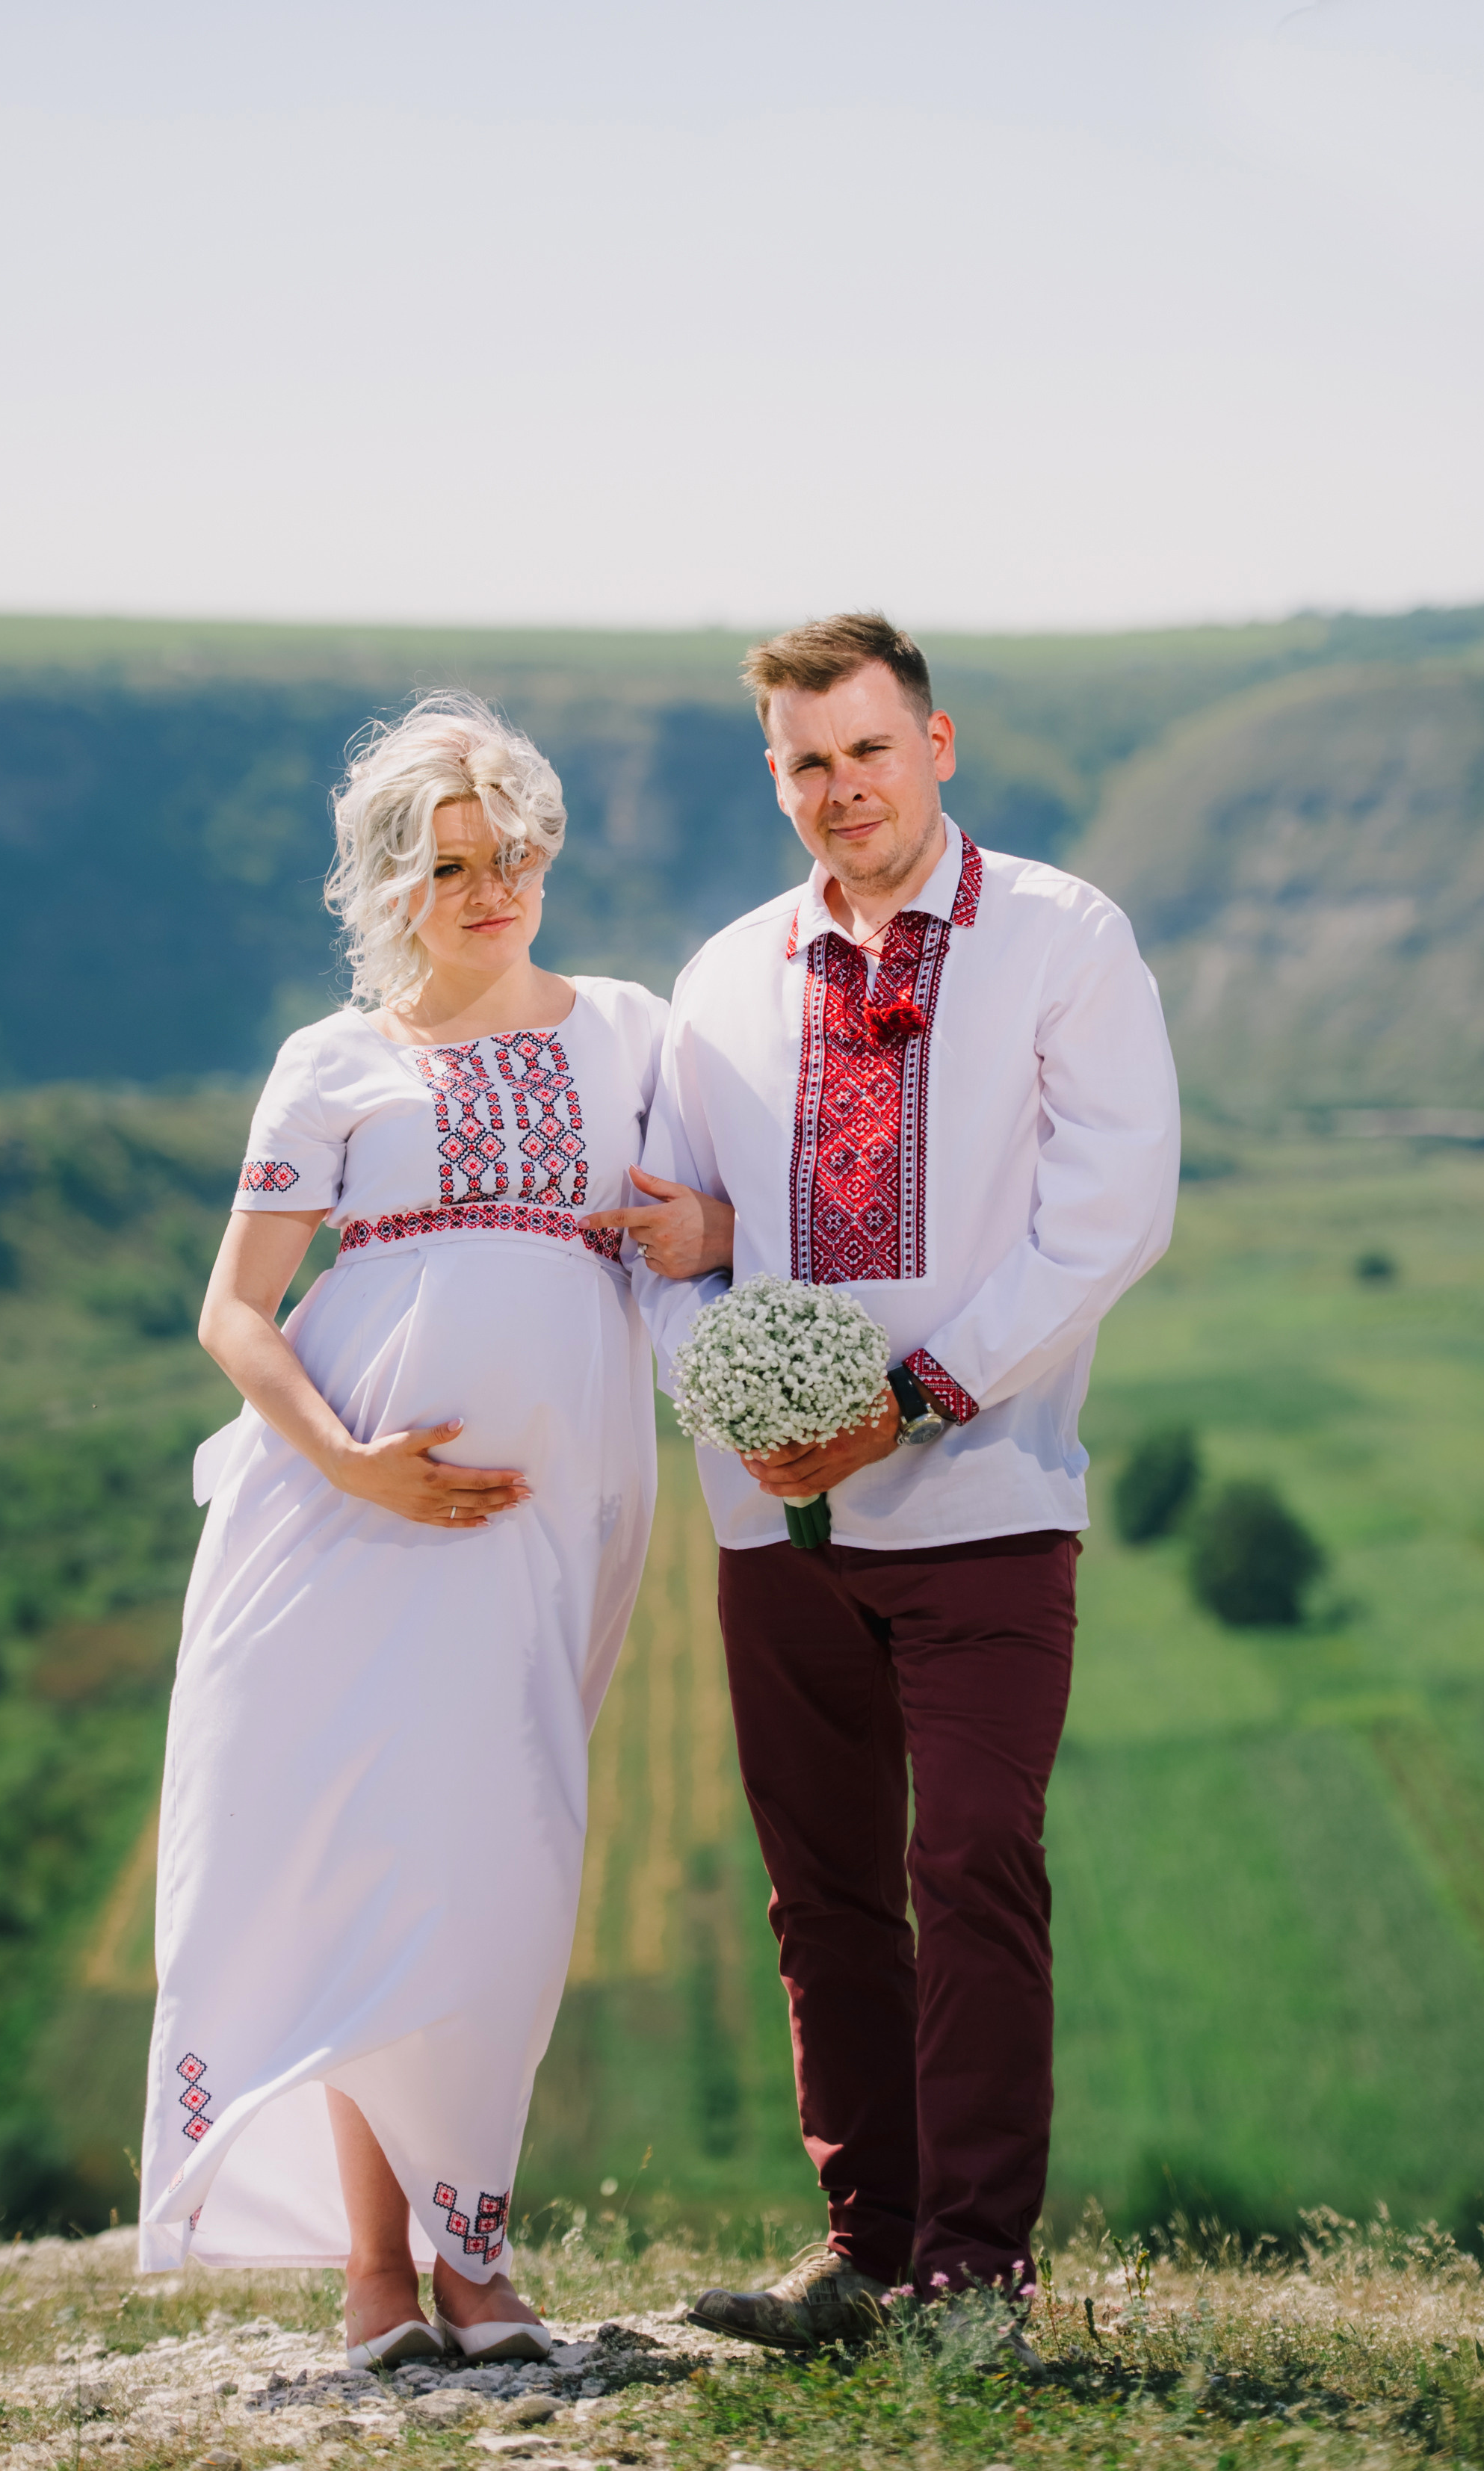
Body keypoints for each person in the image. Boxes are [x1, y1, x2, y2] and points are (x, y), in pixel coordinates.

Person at [613, 613, 1179, 2353]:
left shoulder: (1063, 938)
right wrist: (730, 1397)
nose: (841, 787)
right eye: (807, 760)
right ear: (772, 776)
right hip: (774, 1514)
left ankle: (977, 2277)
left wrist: (913, 1395)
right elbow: (662, 1233)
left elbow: (1111, 1210)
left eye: (869, 749)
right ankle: (864, 2250)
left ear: (939, 745)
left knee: (981, 1853)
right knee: (825, 1880)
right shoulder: (724, 978)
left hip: (992, 1491)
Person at [137, 693, 709, 2369]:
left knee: (499, 1862)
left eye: (515, 854)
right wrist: (350, 1463)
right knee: (369, 1866)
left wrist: (710, 1228)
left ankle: (467, 2242)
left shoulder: (630, 1030)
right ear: (391, 878)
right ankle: (404, 2280)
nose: (490, 889)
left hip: (548, 1533)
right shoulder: (331, 1062)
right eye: (452, 864)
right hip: (340, 1527)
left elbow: (707, 1215)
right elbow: (237, 1316)